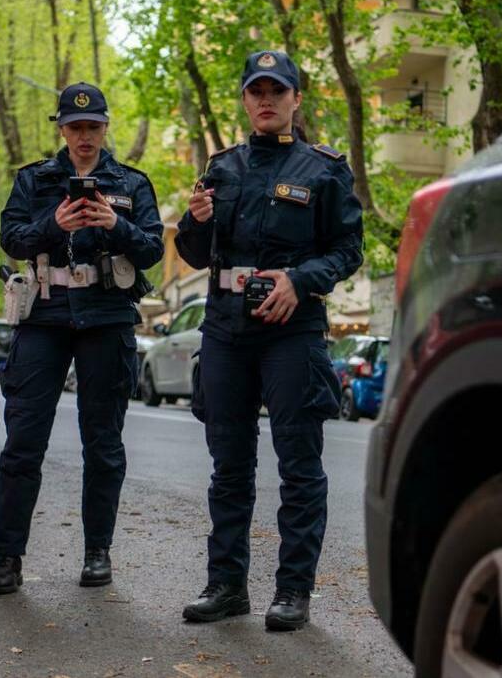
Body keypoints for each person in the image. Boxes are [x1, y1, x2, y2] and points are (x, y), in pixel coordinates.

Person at [174, 51, 364, 630]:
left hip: (291, 330)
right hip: (227, 329)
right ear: (244, 99)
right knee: (228, 467)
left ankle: (293, 591)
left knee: (299, 467)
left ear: (295, 100)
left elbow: (348, 251)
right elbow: (194, 254)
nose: (266, 100)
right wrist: (198, 220)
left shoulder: (325, 169)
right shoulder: (221, 168)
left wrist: (300, 281)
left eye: (277, 91)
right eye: (256, 90)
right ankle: (227, 585)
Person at [0, 82, 164, 595]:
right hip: (44, 314)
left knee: (103, 441)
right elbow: (12, 236)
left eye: (93, 127)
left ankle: (97, 553)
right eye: (75, 127)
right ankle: (8, 557)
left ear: (106, 128)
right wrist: (52, 223)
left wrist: (115, 225)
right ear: (61, 129)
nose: (84, 136)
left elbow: (152, 247)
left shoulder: (130, 183)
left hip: (106, 315)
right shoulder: (36, 179)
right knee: (23, 440)